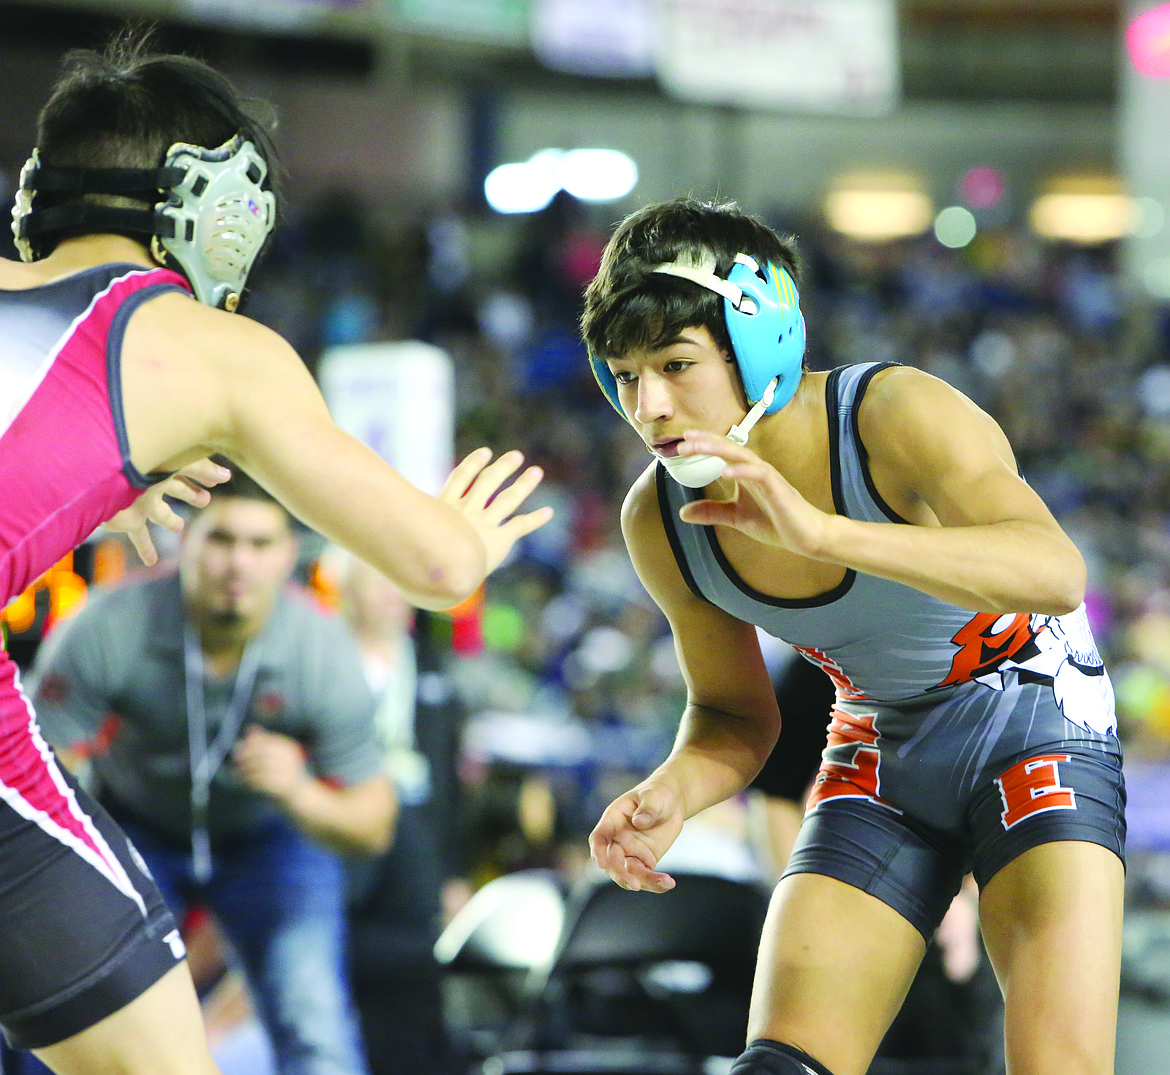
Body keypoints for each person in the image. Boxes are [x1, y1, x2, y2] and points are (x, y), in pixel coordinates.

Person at [0, 31, 550, 1075]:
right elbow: (437, 569)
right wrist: (466, 538)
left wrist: (80, 490)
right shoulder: (208, 349)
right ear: (218, 207)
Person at [580, 197, 1124, 1075]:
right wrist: (673, 790)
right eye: (627, 375)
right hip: (881, 744)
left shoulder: (894, 413)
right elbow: (730, 711)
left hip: (1035, 721)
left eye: (676, 364)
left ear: (762, 349)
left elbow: (1056, 573)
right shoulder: (662, 517)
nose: (651, 405)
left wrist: (826, 534)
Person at [25, 472, 393, 1075]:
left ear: (289, 556)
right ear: (185, 541)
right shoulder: (110, 623)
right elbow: (39, 765)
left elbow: (374, 824)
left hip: (268, 836)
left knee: (313, 1017)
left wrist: (298, 793)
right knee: (74, 1002)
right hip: (136, 826)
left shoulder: (320, 649)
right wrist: (77, 841)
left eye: (260, 544)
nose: (238, 564)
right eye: (221, 539)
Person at [329, 550, 466, 1075]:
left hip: (415, 853)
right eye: (378, 580)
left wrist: (454, 872)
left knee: (412, 979)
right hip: (340, 841)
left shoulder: (431, 669)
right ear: (348, 589)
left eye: (398, 582)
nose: (392, 594)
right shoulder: (320, 657)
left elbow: (451, 780)